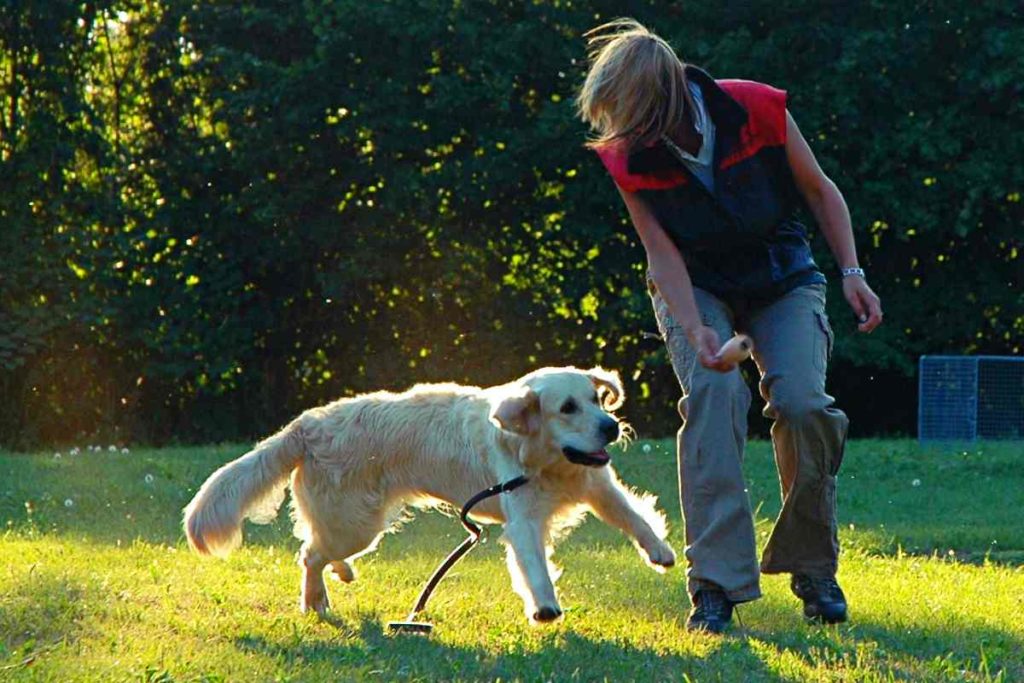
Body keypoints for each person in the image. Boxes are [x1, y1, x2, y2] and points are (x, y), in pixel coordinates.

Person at [576, 19, 883, 633]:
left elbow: (820, 191)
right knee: (714, 394)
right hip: (697, 288)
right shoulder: (626, 156)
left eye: (628, 116)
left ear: (661, 98)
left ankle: (812, 567)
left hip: (782, 278)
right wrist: (698, 334)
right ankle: (714, 587)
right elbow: (659, 255)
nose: (620, 134)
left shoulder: (756, 107)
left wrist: (850, 270)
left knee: (802, 404)